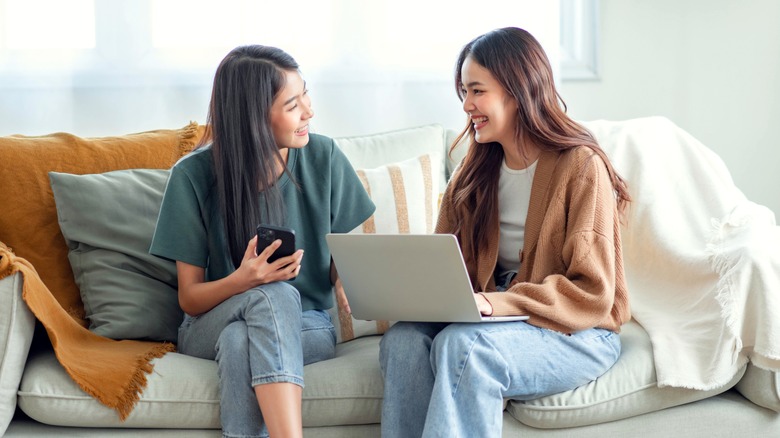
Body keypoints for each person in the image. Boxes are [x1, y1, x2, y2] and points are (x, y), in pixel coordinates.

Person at [378, 27, 632, 437]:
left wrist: (497, 304)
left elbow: (593, 292)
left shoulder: (581, 166)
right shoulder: (472, 173)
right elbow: (447, 267)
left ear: (516, 90)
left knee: (466, 348)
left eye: (477, 91)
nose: (466, 105)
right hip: (499, 322)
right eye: (463, 91)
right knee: (403, 342)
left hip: (578, 331)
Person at [150, 45, 374, 438]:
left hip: (308, 325)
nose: (309, 111)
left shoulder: (324, 157)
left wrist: (347, 278)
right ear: (253, 116)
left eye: (306, 94)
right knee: (275, 295)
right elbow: (190, 299)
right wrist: (244, 280)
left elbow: (340, 255)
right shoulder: (192, 176)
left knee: (242, 342)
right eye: (292, 104)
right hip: (209, 324)